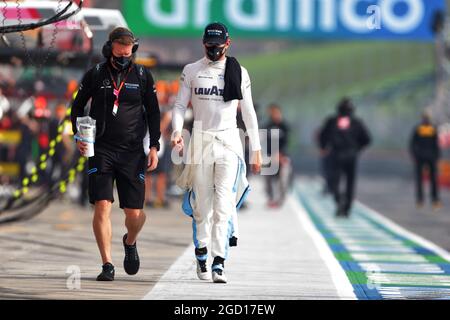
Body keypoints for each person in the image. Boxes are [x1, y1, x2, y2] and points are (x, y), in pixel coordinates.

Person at [171, 22, 262, 283]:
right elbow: (179, 105)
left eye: (218, 48)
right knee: (203, 207)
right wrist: (177, 131)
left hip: (229, 141)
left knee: (224, 205)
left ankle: (219, 261)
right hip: (200, 140)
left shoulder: (239, 72)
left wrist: (256, 148)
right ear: (203, 44)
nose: (214, 52)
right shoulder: (191, 70)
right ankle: (201, 252)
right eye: (210, 47)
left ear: (228, 44)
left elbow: (248, 112)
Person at [70, 27, 161, 281]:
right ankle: (107, 264)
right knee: (102, 205)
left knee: (135, 214)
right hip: (100, 149)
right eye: (119, 53)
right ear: (110, 49)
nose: (123, 58)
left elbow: (153, 112)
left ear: (133, 50)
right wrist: (78, 134)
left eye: (128, 53)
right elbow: (77, 105)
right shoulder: (96, 74)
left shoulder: (143, 75)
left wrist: (154, 146)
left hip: (132, 152)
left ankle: (130, 242)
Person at [319, 98, 371, 218]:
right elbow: (367, 139)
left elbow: (323, 136)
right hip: (349, 155)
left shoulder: (333, 121)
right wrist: (357, 148)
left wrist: (324, 147)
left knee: (335, 181)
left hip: (337, 155)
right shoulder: (355, 122)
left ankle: (340, 202)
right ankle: (346, 206)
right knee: (349, 182)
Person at [409, 111, 442, 210]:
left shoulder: (433, 129)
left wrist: (436, 157)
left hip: (431, 158)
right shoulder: (418, 129)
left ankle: (435, 200)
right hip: (420, 158)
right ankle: (420, 200)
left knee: (434, 180)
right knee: (419, 180)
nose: (426, 119)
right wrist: (415, 155)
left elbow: (436, 144)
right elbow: (412, 144)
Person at [263, 103, 291, 208]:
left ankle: (280, 200)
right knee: (268, 178)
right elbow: (264, 142)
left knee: (283, 179)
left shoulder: (285, 126)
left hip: (283, 156)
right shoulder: (267, 126)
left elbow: (287, 142)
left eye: (276, 112)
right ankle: (271, 198)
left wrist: (281, 154)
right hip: (270, 156)